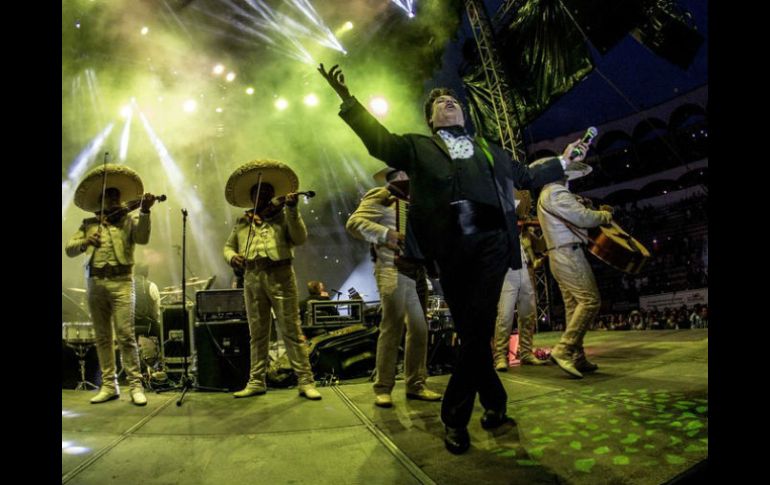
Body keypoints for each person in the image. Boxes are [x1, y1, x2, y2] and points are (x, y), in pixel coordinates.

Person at [318, 63, 585, 454]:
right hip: (450, 250)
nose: (448, 103)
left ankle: (455, 418)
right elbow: (380, 142)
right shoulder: (418, 147)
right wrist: (348, 100)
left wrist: (561, 161)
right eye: (440, 103)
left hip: (493, 244)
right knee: (474, 333)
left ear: (463, 113)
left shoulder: (489, 149)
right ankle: (495, 403)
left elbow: (525, 176)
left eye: (453, 101)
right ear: (430, 119)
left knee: (476, 331)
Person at [223, 159, 321, 400]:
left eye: (268, 192)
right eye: (258, 192)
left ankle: (305, 380)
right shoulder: (243, 221)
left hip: (280, 274)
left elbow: (299, 238)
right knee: (257, 333)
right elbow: (228, 247)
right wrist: (233, 257)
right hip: (252, 276)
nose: (264, 196)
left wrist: (293, 210)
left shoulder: (283, 216)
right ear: (252, 197)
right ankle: (256, 381)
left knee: (291, 329)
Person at [346, 166, 442, 408]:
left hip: (416, 270)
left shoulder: (416, 201)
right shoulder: (382, 195)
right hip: (392, 267)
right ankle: (383, 386)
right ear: (399, 175)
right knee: (393, 326)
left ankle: (415, 384)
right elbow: (354, 223)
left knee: (419, 329)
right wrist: (386, 233)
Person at [65, 164, 157, 406]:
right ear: (101, 201)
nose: (114, 200)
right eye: (109, 196)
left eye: (116, 196)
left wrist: (145, 211)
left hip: (122, 282)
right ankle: (109, 385)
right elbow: (69, 249)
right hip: (95, 282)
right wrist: (86, 241)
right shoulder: (89, 224)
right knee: (103, 337)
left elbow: (143, 237)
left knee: (125, 335)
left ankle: (136, 385)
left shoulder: (127, 221)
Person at [533, 155, 612, 378]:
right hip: (568, 253)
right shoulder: (556, 192)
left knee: (573, 306)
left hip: (559, 254)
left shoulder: (547, 194)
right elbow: (583, 218)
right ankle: (564, 349)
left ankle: (577, 356)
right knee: (590, 301)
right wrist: (605, 215)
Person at [493, 197, 548, 371]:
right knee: (505, 316)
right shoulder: (500, 226)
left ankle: (526, 353)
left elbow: (540, 245)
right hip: (507, 272)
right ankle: (500, 356)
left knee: (528, 314)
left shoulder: (525, 231)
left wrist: (547, 228)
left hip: (525, 270)